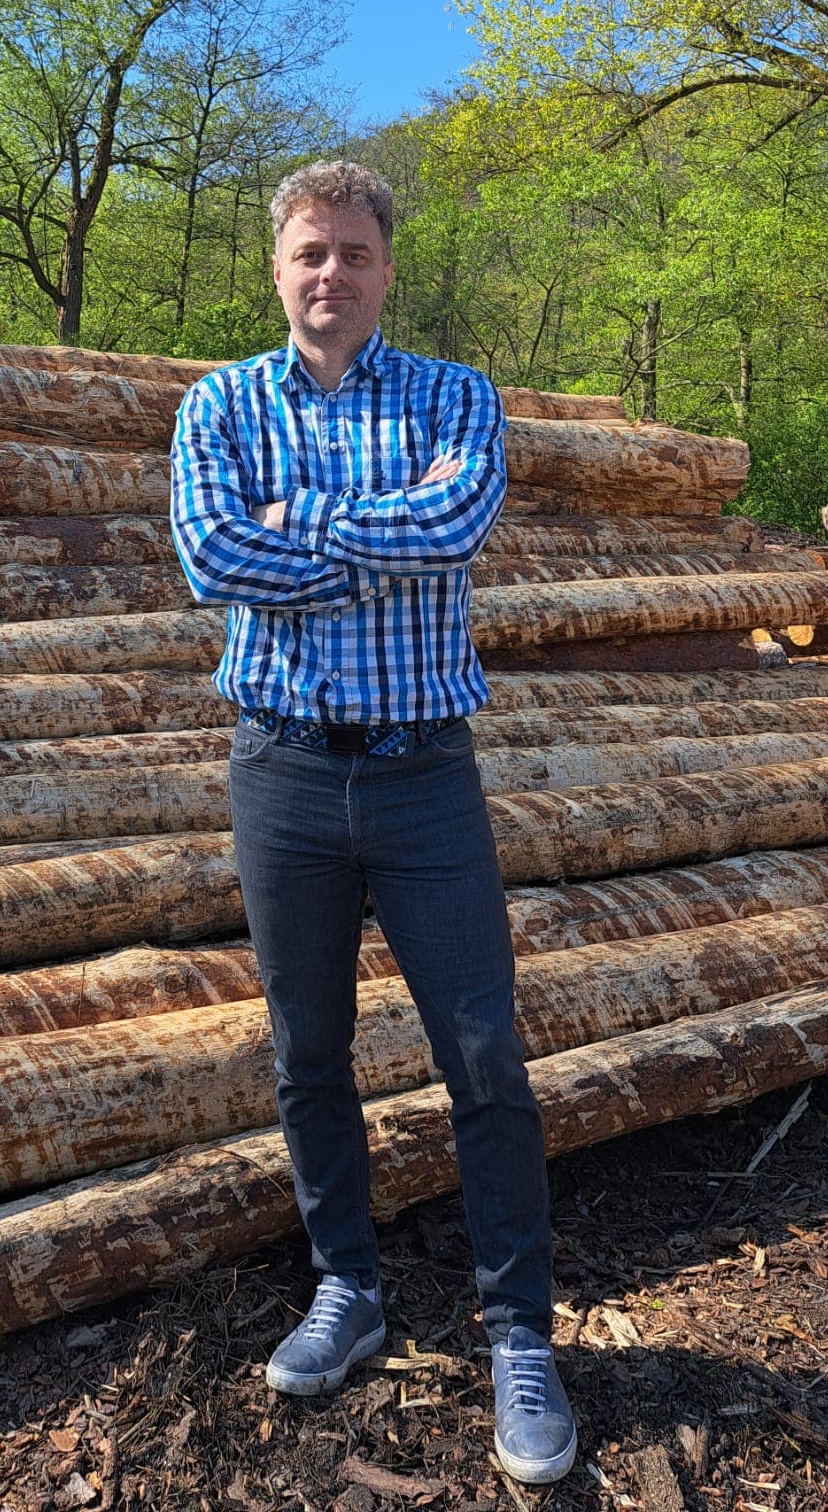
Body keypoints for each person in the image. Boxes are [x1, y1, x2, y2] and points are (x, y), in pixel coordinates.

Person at [169, 161, 576, 1487]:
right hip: (281, 773)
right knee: (308, 1050)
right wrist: (365, 546)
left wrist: (300, 526)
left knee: (483, 1050)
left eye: (353, 252)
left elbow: (453, 523)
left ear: (385, 268)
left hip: (423, 776)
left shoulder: (455, 397)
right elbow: (211, 557)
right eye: (310, 252)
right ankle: (345, 1286)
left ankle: (518, 1331)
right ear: (277, 267)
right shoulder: (220, 403)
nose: (330, 273)